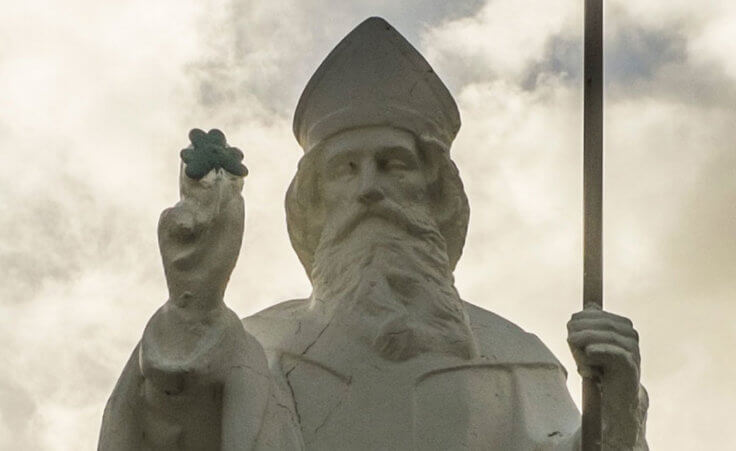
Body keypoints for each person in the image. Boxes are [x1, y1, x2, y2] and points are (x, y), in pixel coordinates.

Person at [99, 17, 648, 450]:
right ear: (314, 202)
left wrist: (616, 410)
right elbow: (172, 432)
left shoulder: (512, 359)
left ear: (435, 194)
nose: (369, 189)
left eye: (393, 165)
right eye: (345, 169)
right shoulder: (258, 349)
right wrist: (192, 307)